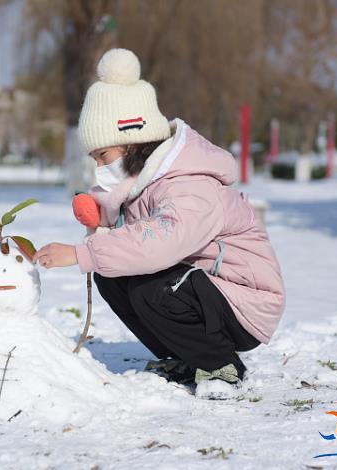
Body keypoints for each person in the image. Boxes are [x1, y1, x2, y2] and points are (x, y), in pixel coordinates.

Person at [33, 48, 285, 399]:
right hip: (207, 290)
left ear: (132, 141)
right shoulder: (143, 184)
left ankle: (219, 364)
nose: (100, 167)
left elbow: (158, 243)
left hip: (245, 303)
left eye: (103, 156)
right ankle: (188, 355)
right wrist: (100, 216)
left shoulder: (190, 185)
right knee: (114, 275)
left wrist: (81, 253)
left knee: (152, 288)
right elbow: (132, 233)